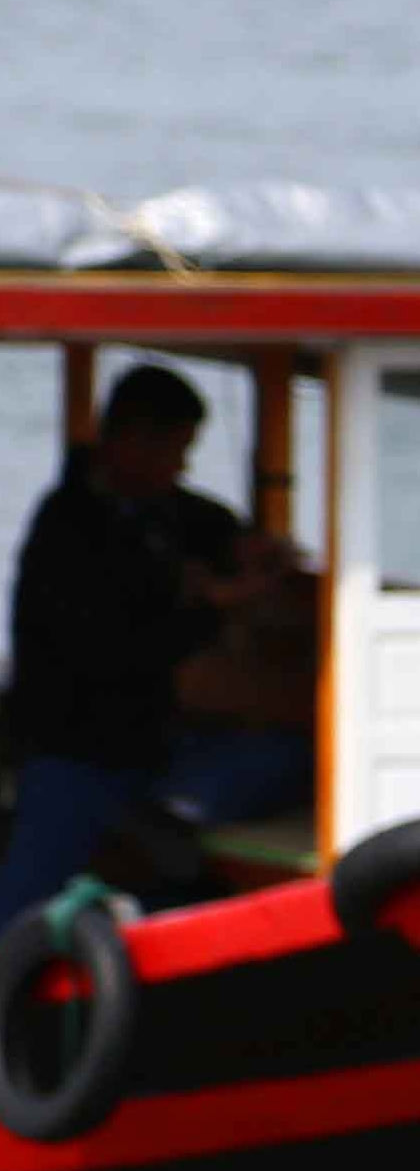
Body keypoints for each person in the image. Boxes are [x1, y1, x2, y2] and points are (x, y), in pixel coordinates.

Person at [3, 362, 312, 922]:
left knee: (286, 755)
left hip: (158, 743)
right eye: (178, 449)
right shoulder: (68, 530)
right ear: (132, 441)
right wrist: (212, 608)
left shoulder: (156, 509)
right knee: (23, 909)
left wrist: (245, 547)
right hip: (78, 748)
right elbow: (121, 650)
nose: (183, 465)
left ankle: (168, 832)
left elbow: (205, 523)